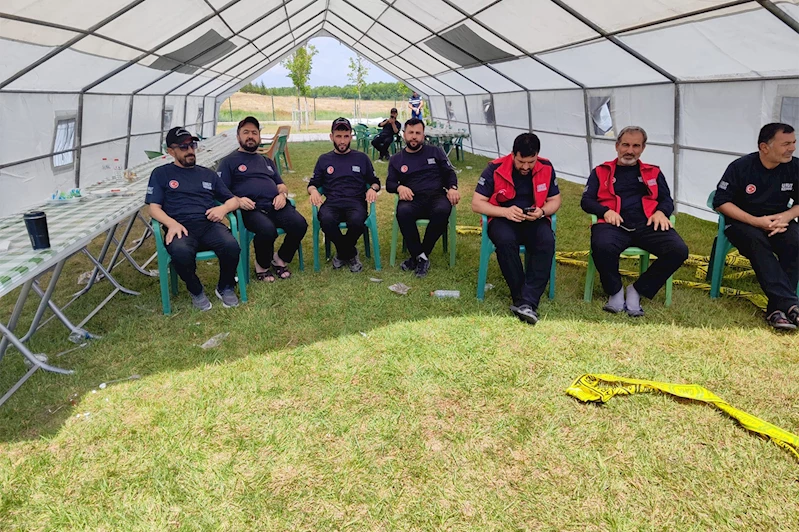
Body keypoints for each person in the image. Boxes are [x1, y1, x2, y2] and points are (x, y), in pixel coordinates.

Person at [581, 125, 688, 317]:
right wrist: (605, 211)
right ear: (617, 146)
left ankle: (637, 290)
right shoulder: (600, 171)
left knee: (678, 250)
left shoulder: (653, 172)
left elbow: (666, 199)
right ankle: (615, 291)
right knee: (602, 245)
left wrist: (661, 212)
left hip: (647, 224)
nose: (630, 151)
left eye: (636, 146)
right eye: (626, 145)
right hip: (614, 224)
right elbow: (586, 201)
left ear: (643, 148)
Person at [712, 123, 799, 330]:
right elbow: (721, 202)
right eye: (786, 143)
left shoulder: (794, 167)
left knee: (795, 242)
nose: (792, 148)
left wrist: (785, 217)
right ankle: (790, 304)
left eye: (794, 143)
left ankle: (776, 310)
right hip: (742, 223)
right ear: (765, 147)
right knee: (757, 242)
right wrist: (756, 221)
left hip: (778, 222)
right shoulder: (741, 167)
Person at [146, 127, 241, 310]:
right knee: (180, 253)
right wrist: (171, 223)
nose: (190, 150)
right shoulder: (161, 174)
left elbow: (233, 201)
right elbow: (153, 208)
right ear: (170, 151)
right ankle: (196, 290)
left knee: (231, 246)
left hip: (208, 224)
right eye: (183, 147)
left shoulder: (208, 174)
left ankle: (225, 287)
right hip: (180, 226)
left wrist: (223, 209)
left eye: (192, 145)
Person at [471, 133, 561, 325]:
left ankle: (526, 301)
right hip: (502, 219)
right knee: (505, 242)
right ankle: (524, 300)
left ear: (537, 155)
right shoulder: (494, 168)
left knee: (547, 241)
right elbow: (477, 204)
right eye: (521, 161)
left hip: (533, 219)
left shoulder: (546, 167)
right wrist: (505, 212)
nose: (526, 167)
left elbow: (555, 200)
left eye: (531, 161)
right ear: (513, 154)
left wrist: (542, 211)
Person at [218, 116, 307, 282]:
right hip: (250, 208)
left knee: (299, 224)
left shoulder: (267, 161)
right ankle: (262, 265)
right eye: (246, 132)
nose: (250, 136)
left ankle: (280, 259)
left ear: (259, 136)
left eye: (254, 132)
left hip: (275, 204)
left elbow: (281, 185)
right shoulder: (228, 162)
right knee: (267, 229)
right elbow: (221, 191)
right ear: (238, 137)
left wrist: (282, 195)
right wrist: (237, 200)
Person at [386, 118, 459, 277]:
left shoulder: (435, 152)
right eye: (410, 133)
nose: (414, 137)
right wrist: (400, 187)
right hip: (413, 199)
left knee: (442, 210)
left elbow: (449, 173)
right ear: (404, 134)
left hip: (436, 196)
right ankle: (422, 257)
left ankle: (418, 257)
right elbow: (390, 183)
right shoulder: (397, 159)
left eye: (417, 133)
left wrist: (452, 188)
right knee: (403, 212)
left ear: (423, 135)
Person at [308, 117, 380, 272]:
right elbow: (313, 183)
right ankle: (350, 252)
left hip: (355, 202)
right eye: (338, 136)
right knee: (325, 219)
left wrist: (372, 189)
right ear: (331, 137)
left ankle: (341, 254)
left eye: (346, 136)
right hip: (332, 202)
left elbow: (375, 181)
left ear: (351, 137)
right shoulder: (324, 159)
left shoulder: (361, 158)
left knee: (357, 221)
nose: (342, 141)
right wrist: (313, 191)